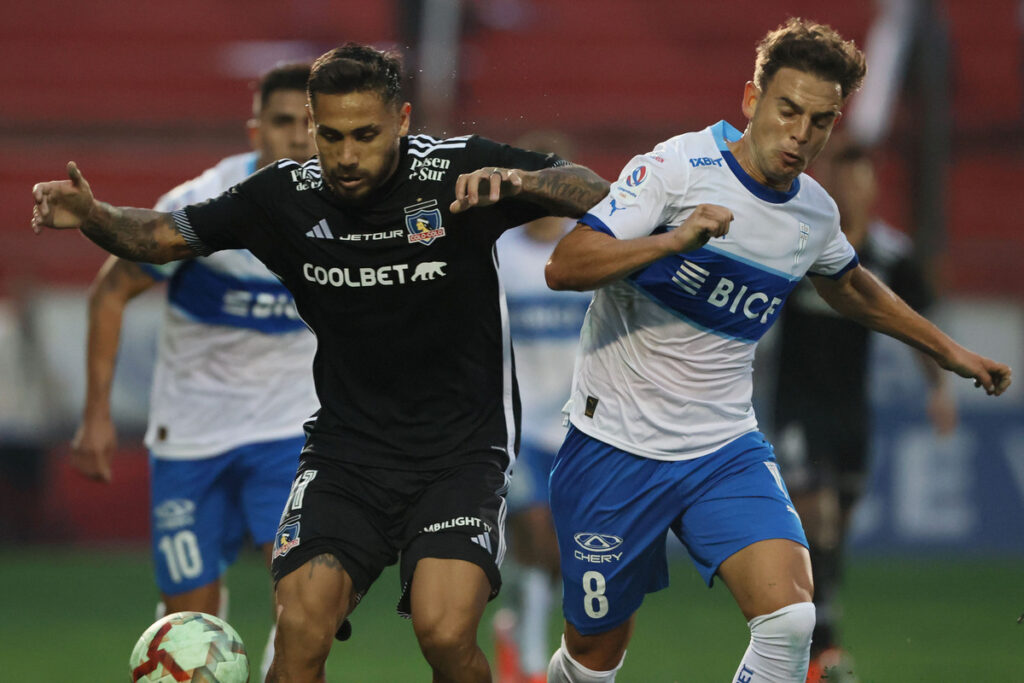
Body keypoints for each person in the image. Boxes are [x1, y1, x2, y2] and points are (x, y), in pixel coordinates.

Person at [31, 43, 608, 683]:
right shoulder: (281, 198)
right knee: (301, 631)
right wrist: (91, 215)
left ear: (403, 120)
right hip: (346, 454)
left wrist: (523, 182)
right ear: (311, 127)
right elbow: (159, 237)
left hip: (460, 454)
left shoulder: (456, 172)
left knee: (443, 633)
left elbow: (595, 190)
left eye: (366, 134)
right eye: (330, 135)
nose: (347, 155)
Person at [542, 18, 1011, 683]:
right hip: (615, 446)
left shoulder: (813, 214)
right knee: (595, 655)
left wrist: (948, 351)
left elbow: (850, 286)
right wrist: (671, 243)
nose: (800, 133)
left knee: (792, 620)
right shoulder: (675, 169)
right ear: (750, 100)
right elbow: (567, 263)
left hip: (721, 448)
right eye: (787, 110)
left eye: (819, 121)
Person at [67, 62, 318, 678]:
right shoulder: (202, 206)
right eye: (282, 122)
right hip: (191, 437)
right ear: (254, 129)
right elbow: (110, 291)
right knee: (188, 626)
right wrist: (96, 413)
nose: (297, 137)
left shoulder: (347, 212)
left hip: (290, 434)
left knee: (306, 606)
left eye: (309, 124)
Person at [770, 137, 957, 681]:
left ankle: (812, 632)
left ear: (873, 188)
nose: (853, 190)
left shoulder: (891, 256)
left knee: (835, 535)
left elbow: (918, 324)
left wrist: (938, 390)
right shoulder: (799, 245)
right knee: (818, 521)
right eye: (843, 179)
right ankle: (821, 651)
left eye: (862, 179)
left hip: (852, 413)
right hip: (797, 406)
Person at [493, 132, 593, 683]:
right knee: (538, 530)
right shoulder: (500, 255)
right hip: (517, 424)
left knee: (560, 554)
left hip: (577, 425)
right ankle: (531, 663)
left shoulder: (589, 249)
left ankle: (512, 628)